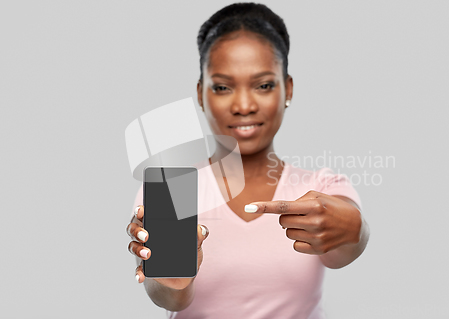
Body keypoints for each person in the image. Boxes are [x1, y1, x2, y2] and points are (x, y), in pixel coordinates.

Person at [126, 2, 370, 318]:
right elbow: (168, 298)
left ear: (288, 90)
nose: (243, 105)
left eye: (264, 85)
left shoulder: (320, 186)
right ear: (201, 94)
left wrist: (356, 229)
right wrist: (173, 279)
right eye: (223, 87)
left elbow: (343, 250)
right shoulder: (170, 190)